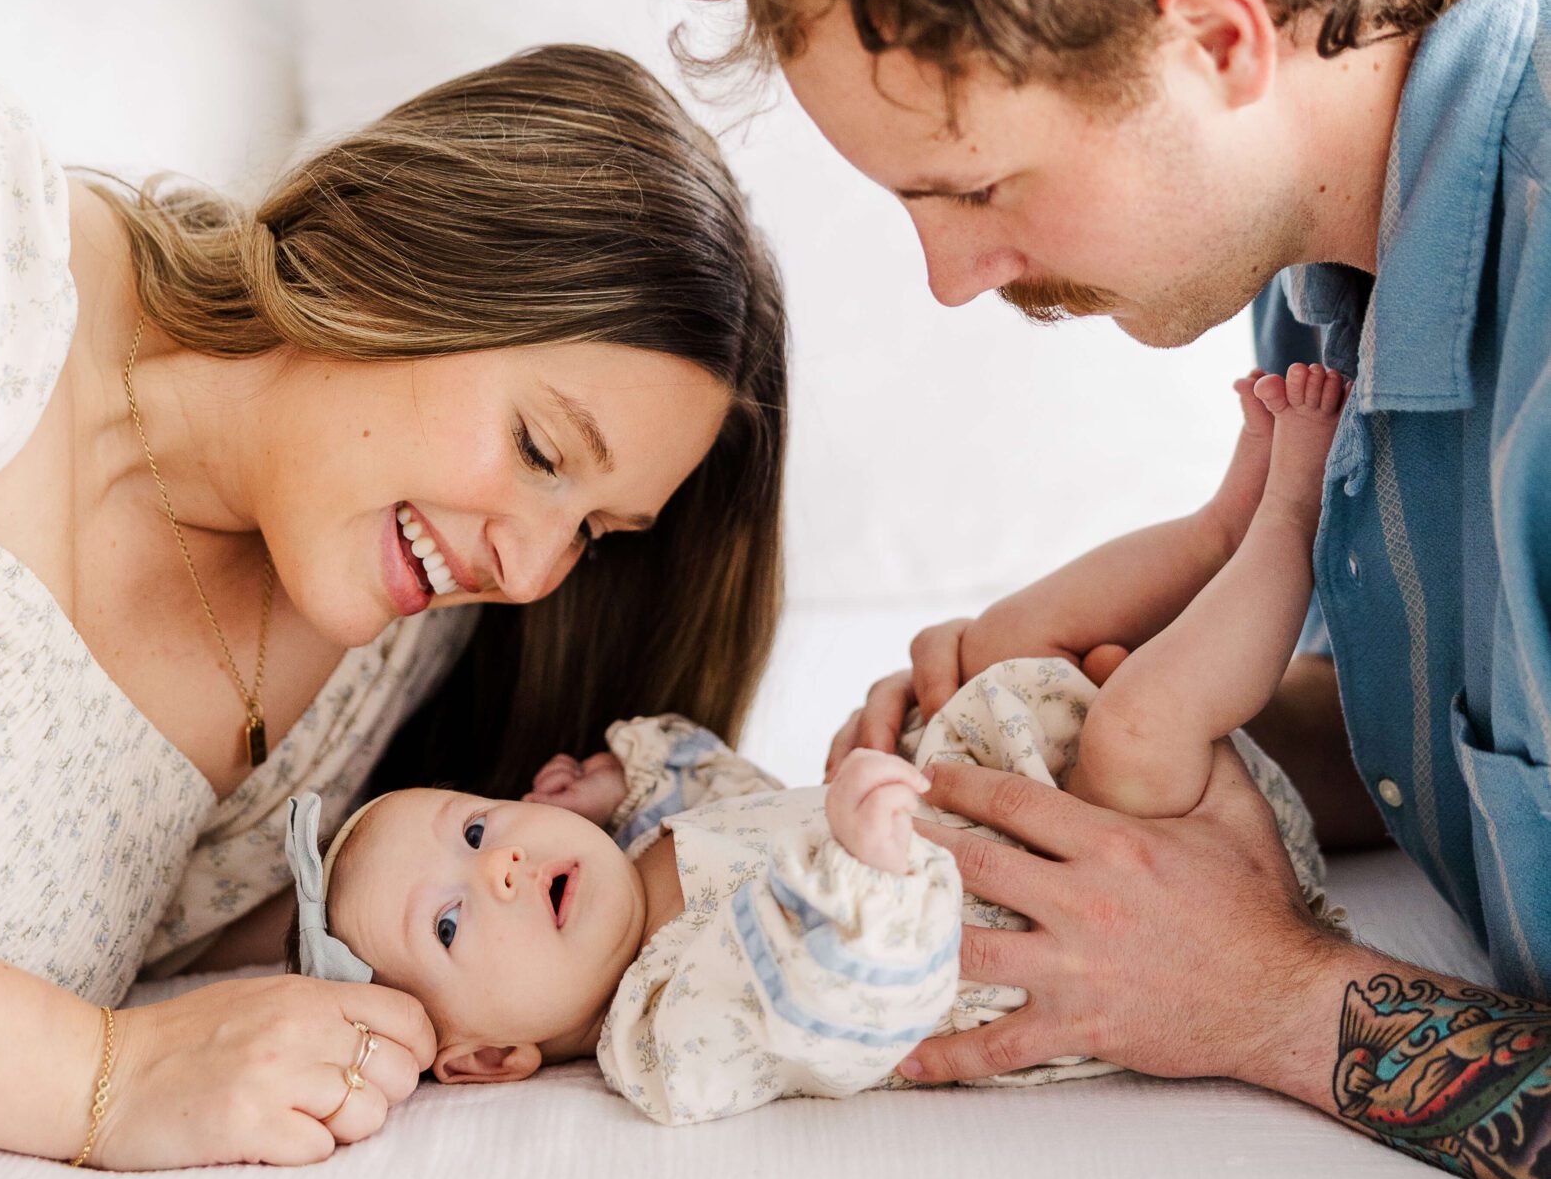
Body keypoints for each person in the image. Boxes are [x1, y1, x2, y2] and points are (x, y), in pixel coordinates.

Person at [687, 0, 1551, 1179]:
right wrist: (1082, 758)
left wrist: (1264, 999)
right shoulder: (1332, 264)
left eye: (977, 186)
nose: (948, 278)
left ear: (1214, 38)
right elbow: (1488, 739)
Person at [0, 38, 785, 1169]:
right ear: (415, 247)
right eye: (539, 449)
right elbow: (126, 1062)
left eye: (590, 533)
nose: (529, 575)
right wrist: (105, 1076)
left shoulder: (372, 666)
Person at [287, 362, 1338, 1128]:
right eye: (455, 919)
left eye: (473, 826)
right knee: (1143, 724)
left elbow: (720, 784)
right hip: (1085, 904)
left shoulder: (648, 840)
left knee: (995, 642)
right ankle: (1289, 522)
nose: (502, 860)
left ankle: (1212, 532)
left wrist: (623, 774)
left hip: (1013, 793)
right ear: (487, 1057)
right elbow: (837, 1011)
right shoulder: (660, 1027)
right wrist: (865, 869)